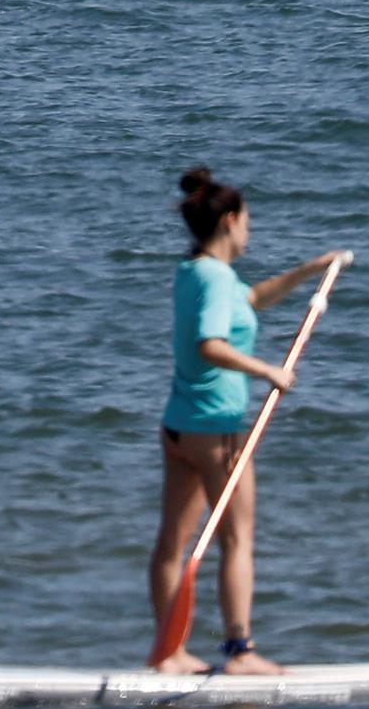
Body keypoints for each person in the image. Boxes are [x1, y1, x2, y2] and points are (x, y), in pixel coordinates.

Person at [147, 167, 346, 676]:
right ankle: (240, 652)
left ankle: (168, 654)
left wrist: (308, 270)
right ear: (231, 220)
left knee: (172, 542)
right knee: (237, 539)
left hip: (180, 425)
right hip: (216, 430)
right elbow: (209, 345)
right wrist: (267, 371)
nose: (250, 230)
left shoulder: (196, 271)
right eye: (248, 220)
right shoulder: (215, 280)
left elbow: (251, 300)